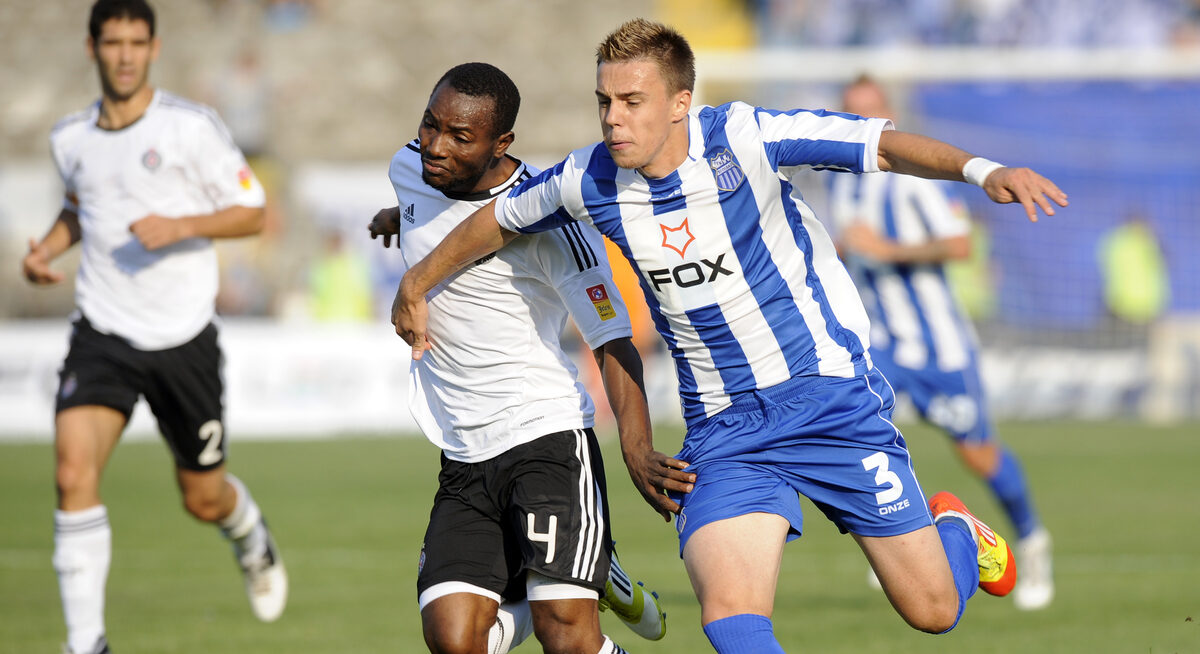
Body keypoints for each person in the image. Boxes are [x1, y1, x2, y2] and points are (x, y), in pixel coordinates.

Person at [391, 19, 1070, 652]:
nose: (614, 119)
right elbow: (498, 220)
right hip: (724, 431)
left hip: (828, 400)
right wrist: (417, 282)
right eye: (604, 101)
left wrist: (987, 172)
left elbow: (881, 145)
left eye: (632, 101)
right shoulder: (589, 177)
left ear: (681, 102)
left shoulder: (745, 137)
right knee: (731, 623)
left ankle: (956, 529)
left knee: (933, 611)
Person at [368, 62, 683, 654]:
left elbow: (612, 337)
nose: (436, 147)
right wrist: (397, 219)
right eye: (430, 125)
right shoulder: (410, 167)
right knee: (454, 642)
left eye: (461, 138)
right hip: (462, 451)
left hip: (546, 439)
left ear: (500, 145)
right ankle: (590, 566)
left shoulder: (548, 221)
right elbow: (427, 208)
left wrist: (635, 448)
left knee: (565, 636)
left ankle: (584, 570)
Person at [20, 2, 286, 652]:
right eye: (114, 42)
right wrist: (46, 250)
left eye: (138, 42)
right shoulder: (70, 138)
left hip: (183, 338)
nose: (126, 54)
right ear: (93, 49)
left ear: (154, 48)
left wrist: (182, 226)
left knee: (202, 499)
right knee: (72, 474)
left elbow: (252, 212)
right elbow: (83, 206)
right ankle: (86, 642)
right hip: (103, 332)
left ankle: (247, 530)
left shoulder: (191, 127)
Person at [828, 75, 1054, 611]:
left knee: (978, 453)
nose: (863, 123)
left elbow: (959, 242)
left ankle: (1031, 539)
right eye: (851, 113)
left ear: (889, 115)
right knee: (852, 433)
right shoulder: (840, 178)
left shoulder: (913, 179)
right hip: (878, 344)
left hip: (938, 348)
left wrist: (887, 249)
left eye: (871, 112)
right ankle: (901, 547)